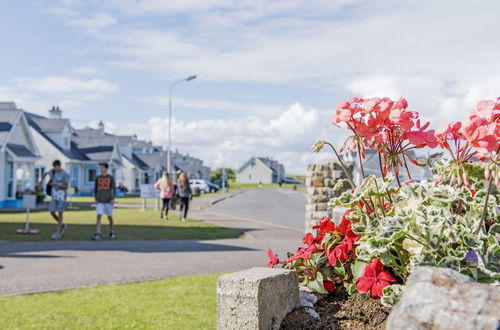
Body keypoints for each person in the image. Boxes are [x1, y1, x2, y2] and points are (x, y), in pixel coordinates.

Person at [41, 160, 70, 240]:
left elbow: (66, 187)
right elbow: (45, 174)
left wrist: (55, 184)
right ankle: (62, 225)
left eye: (55, 167)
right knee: (52, 211)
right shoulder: (52, 172)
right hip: (54, 196)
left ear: (59, 166)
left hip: (61, 196)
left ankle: (58, 232)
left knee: (60, 213)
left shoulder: (65, 174)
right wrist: (40, 183)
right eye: (53, 167)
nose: (55, 169)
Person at [92, 162, 116, 241]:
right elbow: (95, 189)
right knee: (99, 215)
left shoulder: (110, 178)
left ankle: (112, 231)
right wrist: (95, 198)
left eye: (102, 168)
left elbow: (113, 189)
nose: (101, 169)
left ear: (106, 169)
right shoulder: (98, 178)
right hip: (100, 200)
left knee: (109, 217)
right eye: (100, 168)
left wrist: (112, 199)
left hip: (108, 200)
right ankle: (98, 233)